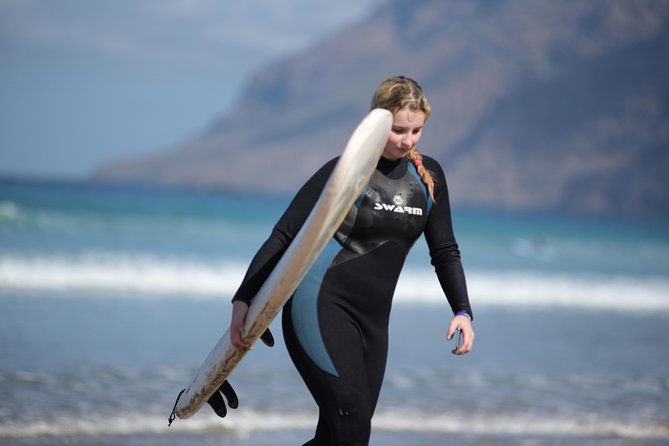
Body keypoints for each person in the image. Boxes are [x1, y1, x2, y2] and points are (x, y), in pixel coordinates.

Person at [225, 75, 474, 445]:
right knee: (352, 423)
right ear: (376, 122)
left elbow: (445, 250)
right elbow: (285, 234)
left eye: (417, 130)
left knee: (340, 435)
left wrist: (462, 310)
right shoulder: (346, 171)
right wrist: (243, 299)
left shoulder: (429, 177)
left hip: (373, 321)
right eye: (398, 130)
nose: (407, 141)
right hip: (318, 306)